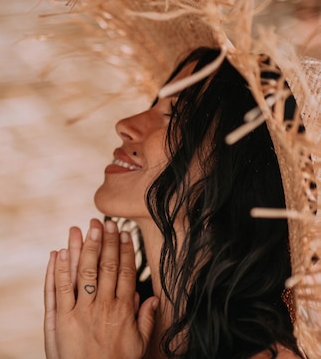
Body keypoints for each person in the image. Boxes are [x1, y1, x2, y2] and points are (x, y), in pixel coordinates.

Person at [43, 48, 303, 359]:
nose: (125, 123)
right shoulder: (91, 326)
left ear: (237, 167)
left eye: (175, 114)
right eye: (153, 105)